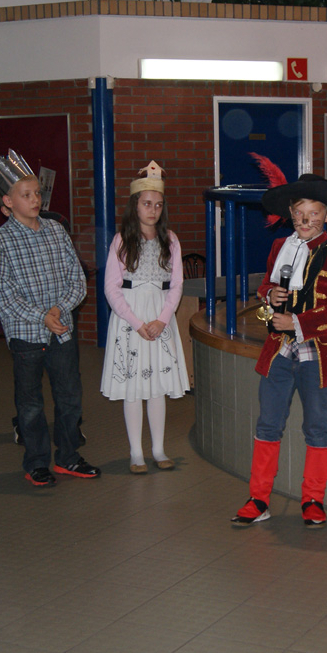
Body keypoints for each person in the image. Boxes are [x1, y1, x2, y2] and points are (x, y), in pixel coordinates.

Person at [231, 174, 327, 527]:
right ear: (290, 214)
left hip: (317, 353)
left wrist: (299, 322)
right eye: (299, 213)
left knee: (317, 427)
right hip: (278, 351)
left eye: (313, 213)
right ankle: (258, 498)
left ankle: (313, 498)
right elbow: (265, 289)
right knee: (268, 424)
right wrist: (268, 295)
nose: (305, 220)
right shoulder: (279, 247)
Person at [0, 149, 99, 487]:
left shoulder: (55, 231)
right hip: (26, 336)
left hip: (61, 329)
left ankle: (68, 456)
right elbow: (7, 296)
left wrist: (59, 310)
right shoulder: (1, 241)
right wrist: (42, 316)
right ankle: (36, 462)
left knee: (69, 396)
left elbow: (76, 280)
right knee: (30, 403)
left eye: (37, 193)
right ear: (8, 201)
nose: (35, 199)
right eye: (26, 195)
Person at [100, 161, 190, 474]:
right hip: (131, 319)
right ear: (135, 205)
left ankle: (158, 449)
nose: (152, 210)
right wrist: (136, 323)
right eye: (146, 204)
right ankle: (136, 452)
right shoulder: (121, 240)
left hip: (159, 317)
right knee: (134, 387)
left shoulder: (171, 240)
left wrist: (163, 319)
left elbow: (176, 285)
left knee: (157, 387)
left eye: (158, 205)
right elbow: (111, 287)